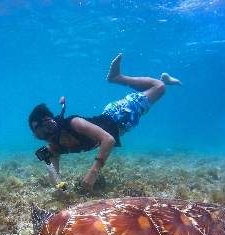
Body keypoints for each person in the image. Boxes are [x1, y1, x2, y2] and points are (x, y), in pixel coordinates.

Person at [29, 53, 181, 196]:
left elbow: (108, 140)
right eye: (41, 134)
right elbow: (54, 175)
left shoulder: (73, 123)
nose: (49, 134)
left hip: (119, 115)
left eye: (49, 127)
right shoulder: (53, 148)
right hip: (116, 121)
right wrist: (61, 188)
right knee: (154, 91)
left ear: (55, 121)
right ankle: (164, 79)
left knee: (159, 89)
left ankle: (117, 77)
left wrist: (93, 172)